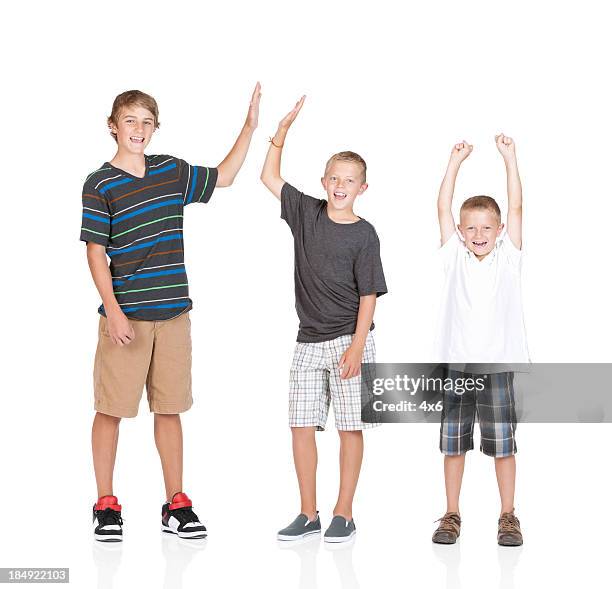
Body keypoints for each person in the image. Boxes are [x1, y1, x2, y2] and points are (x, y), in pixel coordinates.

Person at [81, 84, 261, 541]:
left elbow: (224, 176)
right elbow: (96, 254)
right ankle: (105, 503)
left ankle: (176, 503)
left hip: (174, 314)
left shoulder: (171, 172)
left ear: (155, 128)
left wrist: (250, 127)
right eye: (130, 121)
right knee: (111, 410)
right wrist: (116, 313)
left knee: (170, 409)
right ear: (113, 126)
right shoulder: (100, 183)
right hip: (126, 318)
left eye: (146, 122)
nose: (138, 130)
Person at [260, 96, 388, 543]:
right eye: (334, 178)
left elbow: (369, 296)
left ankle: (343, 513)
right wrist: (282, 131)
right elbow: (269, 176)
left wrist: (356, 348)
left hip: (352, 341)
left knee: (350, 428)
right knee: (300, 425)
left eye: (349, 180)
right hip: (308, 341)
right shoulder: (306, 212)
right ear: (324, 181)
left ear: (361, 188)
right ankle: (307, 512)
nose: (340, 185)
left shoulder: (365, 233)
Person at [432, 134, 528, 546]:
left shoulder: (508, 256)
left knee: (503, 446)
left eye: (487, 226)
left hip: (499, 367)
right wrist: (454, 162)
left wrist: (510, 158)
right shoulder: (454, 254)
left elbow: (518, 205)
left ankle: (508, 515)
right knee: (454, 446)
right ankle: (451, 513)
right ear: (460, 230)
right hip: (458, 366)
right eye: (470, 227)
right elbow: (441, 207)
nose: (478, 232)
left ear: (500, 229)